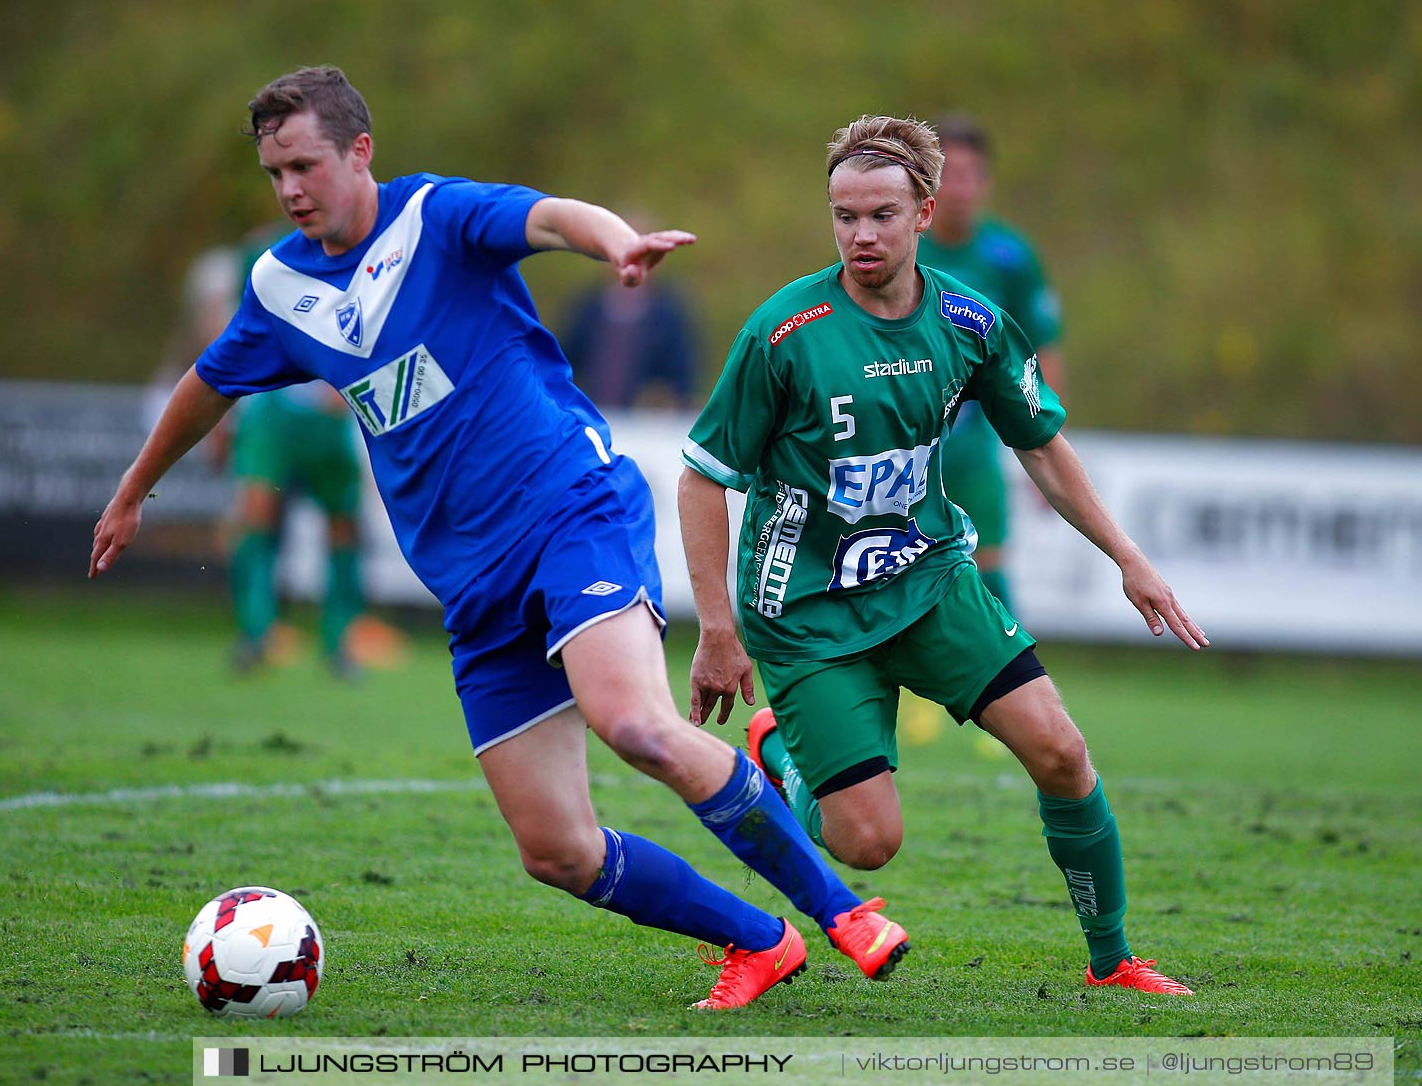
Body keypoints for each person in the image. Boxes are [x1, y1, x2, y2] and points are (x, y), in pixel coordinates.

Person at [89, 66, 907, 1010]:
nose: (289, 190)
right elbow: (208, 382)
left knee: (636, 725)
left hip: (569, 510)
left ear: (360, 150)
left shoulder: (436, 217)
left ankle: (843, 911)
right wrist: (133, 489)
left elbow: (552, 218)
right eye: (274, 173)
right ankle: (758, 942)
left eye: (304, 165)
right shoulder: (282, 286)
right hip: (472, 585)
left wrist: (618, 245)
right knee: (555, 850)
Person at [678, 115, 1207, 996]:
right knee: (868, 842)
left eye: (882, 214)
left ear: (925, 212)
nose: (862, 235)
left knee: (1063, 754)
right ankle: (787, 756)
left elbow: (1040, 444)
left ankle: (1112, 962)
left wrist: (1128, 557)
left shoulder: (970, 321)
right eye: (844, 216)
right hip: (807, 616)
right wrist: (716, 630)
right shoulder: (785, 332)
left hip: (928, 581)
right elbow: (703, 480)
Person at [919, 114, 1064, 614]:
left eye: (969, 174)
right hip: (901, 445)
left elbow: (1041, 351)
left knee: (987, 571)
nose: (959, 188)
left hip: (974, 446)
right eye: (947, 174)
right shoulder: (899, 246)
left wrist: (1043, 444)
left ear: (985, 181)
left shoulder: (1009, 257)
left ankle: (1010, 684)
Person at [220, 227, 369, 677]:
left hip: (329, 415)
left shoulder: (369, 251)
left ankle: (339, 642)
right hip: (271, 415)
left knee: (343, 524)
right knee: (255, 513)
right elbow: (234, 332)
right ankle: (256, 633)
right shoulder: (258, 256)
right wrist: (224, 411)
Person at [558, 264, 701, 411]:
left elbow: (682, 375)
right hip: (592, 410)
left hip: (642, 421)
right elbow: (564, 359)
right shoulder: (589, 310)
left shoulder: (668, 318)